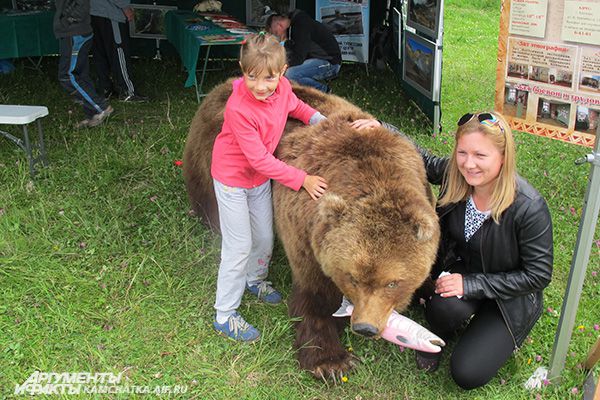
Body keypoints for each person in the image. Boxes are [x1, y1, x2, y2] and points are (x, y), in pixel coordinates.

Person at [351, 112, 553, 390]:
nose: (469, 165)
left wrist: (471, 285)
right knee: (442, 309)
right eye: (462, 153)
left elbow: (538, 276)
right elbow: (422, 158)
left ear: (503, 157)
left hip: (510, 296)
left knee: (466, 373)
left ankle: (489, 330)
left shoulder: (529, 208)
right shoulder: (456, 176)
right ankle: (447, 325)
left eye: (480, 155)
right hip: (462, 270)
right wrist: (383, 128)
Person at [211, 32, 328, 342]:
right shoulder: (239, 110)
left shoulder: (283, 88)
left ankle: (255, 279)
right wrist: (302, 179)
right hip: (233, 179)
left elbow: (297, 107)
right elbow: (261, 159)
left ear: (283, 71)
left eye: (269, 78)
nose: (261, 86)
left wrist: (321, 120)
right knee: (238, 246)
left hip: (258, 180)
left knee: (264, 236)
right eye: (252, 77)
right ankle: (225, 313)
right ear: (242, 69)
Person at [53, 0, 113, 128]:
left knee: (67, 76)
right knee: (81, 76)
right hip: (76, 31)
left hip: (74, 32)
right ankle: (93, 114)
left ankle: (100, 107)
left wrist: (67, 20)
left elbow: (82, 5)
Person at [266, 10, 341, 93]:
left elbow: (298, 58)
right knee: (290, 73)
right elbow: (292, 54)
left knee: (290, 74)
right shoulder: (293, 27)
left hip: (330, 63)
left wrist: (280, 66)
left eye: (276, 33)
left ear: (280, 25)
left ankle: (323, 91)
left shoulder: (301, 25)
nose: (277, 36)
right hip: (318, 59)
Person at [90, 0, 148, 102]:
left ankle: (105, 88)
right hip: (110, 12)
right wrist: (125, 7)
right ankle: (127, 91)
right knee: (119, 51)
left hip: (94, 12)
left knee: (100, 52)